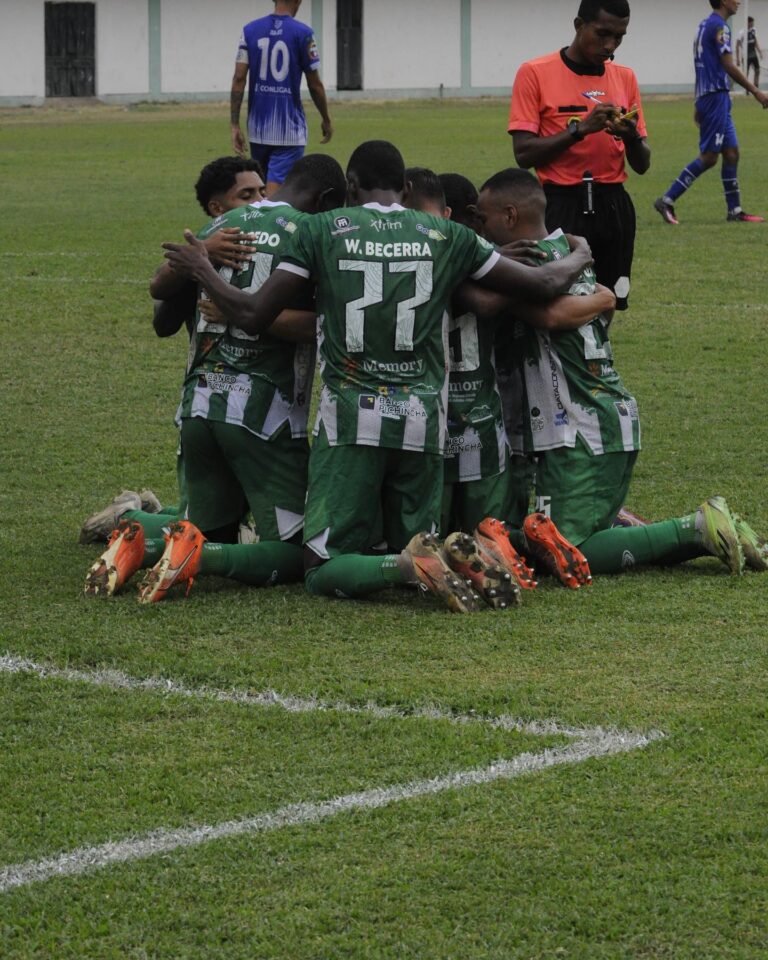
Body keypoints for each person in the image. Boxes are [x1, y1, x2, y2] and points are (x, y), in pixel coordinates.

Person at [162, 141, 596, 612]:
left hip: (351, 423)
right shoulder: (447, 235)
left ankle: (407, 566)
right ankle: (431, 554)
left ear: (350, 186)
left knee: (321, 565)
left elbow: (252, 313)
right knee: (401, 535)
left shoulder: (324, 231)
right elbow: (546, 283)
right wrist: (581, 254)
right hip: (423, 421)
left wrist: (204, 268)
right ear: (405, 187)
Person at [478, 167, 768, 578]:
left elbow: (553, 313)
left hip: (580, 427)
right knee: (567, 534)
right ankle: (718, 531)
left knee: (562, 548)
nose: (481, 230)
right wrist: (602, 293)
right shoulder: (565, 250)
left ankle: (696, 527)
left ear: (509, 217)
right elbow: (591, 301)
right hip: (604, 416)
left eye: (484, 219)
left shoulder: (530, 267)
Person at [84, 154, 348, 603]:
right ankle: (198, 559)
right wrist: (251, 310)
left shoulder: (225, 223)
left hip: (199, 406)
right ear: (325, 200)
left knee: (213, 529)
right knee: (300, 550)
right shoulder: (313, 231)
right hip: (265, 417)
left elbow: (162, 298)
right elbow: (319, 326)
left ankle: (135, 526)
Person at [79, 156, 269, 547]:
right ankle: (126, 517)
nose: (260, 201)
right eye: (246, 195)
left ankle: (144, 511)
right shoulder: (203, 252)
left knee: (238, 519)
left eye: (263, 191)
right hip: (213, 405)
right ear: (217, 208)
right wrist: (200, 260)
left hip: (265, 406)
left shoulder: (277, 244)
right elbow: (163, 319)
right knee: (220, 534)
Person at [508, 0, 650, 311]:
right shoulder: (535, 73)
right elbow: (523, 153)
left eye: (619, 37)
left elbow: (642, 164)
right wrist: (580, 129)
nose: (610, 46)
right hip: (560, 203)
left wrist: (632, 137)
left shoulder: (625, 77)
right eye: (602, 34)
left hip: (614, 205)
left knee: (608, 301)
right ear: (578, 25)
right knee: (559, 300)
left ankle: (598, 360)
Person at [655, 1, 768, 225]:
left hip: (714, 98)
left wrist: (699, 101)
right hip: (715, 97)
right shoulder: (720, 27)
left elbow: (702, 64)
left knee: (732, 153)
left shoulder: (704, 25)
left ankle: (734, 210)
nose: (738, 1)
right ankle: (667, 199)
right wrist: (756, 91)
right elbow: (728, 65)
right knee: (709, 157)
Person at [230, 0, 333, 195]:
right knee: (274, 199)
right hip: (289, 132)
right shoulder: (304, 33)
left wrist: (234, 124)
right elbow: (315, 84)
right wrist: (326, 119)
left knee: (259, 192)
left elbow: (239, 78)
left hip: (258, 129)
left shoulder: (250, 30)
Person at [737, 16, 762, 91]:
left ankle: (756, 87)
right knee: (746, 73)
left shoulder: (753, 30)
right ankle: (747, 90)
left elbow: (755, 41)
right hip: (746, 56)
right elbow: (737, 45)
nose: (753, 24)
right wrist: (738, 58)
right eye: (751, 23)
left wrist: (759, 51)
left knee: (757, 70)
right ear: (748, 23)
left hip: (753, 54)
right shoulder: (741, 32)